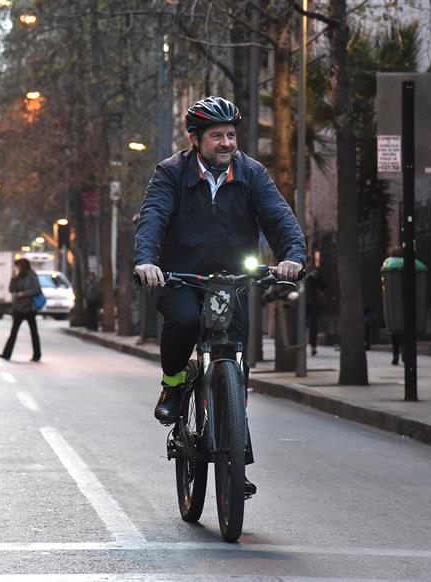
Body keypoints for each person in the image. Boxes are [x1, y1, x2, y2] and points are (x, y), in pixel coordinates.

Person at [133, 96, 306, 496]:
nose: (226, 143)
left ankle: (235, 465)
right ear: (196, 140)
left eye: (231, 135)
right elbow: (153, 219)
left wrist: (292, 257)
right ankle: (174, 384)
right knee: (184, 322)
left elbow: (279, 217)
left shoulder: (251, 173)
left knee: (235, 367)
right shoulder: (170, 173)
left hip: (232, 282)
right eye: (217, 136)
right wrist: (147, 261)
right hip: (181, 277)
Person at [0, 258, 42, 362]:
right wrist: (13, 278)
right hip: (18, 308)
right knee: (13, 332)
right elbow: (11, 289)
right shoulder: (18, 277)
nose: (17, 268)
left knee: (33, 332)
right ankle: (6, 354)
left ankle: (37, 355)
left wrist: (23, 294)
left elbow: (37, 289)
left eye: (18, 266)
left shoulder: (32, 276)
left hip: (29, 308)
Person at [305, 255, 327, 356]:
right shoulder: (296, 272)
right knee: (309, 325)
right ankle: (306, 344)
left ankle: (313, 345)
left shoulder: (314, 274)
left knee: (313, 325)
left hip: (312, 303)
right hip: (302, 303)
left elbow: (323, 286)